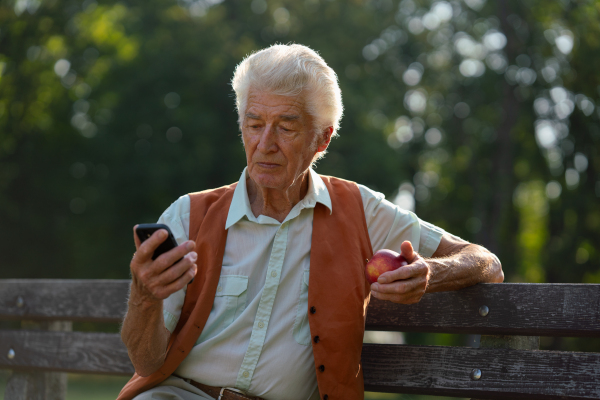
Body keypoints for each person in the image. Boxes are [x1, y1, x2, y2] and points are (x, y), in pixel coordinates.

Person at [118, 44, 503, 400]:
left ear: (322, 139)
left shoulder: (360, 210)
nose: (265, 143)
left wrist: (430, 273)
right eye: (254, 124)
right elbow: (147, 364)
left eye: (285, 127)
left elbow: (486, 261)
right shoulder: (188, 216)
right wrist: (145, 297)